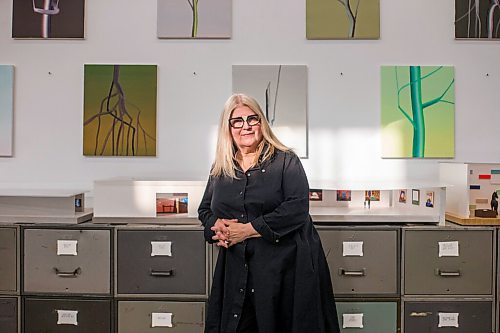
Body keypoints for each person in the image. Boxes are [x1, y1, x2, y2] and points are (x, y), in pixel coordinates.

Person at [198, 93, 340, 333]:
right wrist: (216, 227)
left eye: (252, 119)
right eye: (238, 121)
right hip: (237, 267)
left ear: (261, 122)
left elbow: (297, 208)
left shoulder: (286, 161)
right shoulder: (221, 167)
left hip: (283, 268)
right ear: (228, 127)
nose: (246, 126)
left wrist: (247, 230)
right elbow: (205, 210)